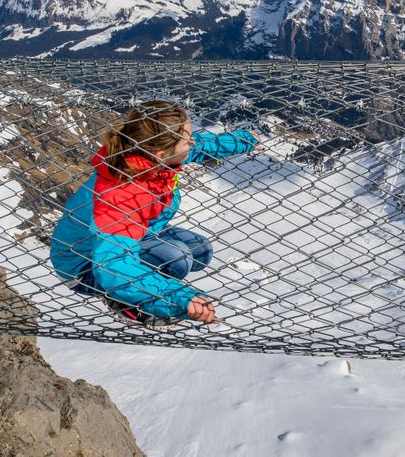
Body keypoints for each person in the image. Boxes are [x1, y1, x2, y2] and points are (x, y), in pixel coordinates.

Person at [49, 100, 260, 327]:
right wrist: (178, 298)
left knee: (201, 250)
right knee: (177, 259)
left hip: (132, 235)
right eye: (187, 137)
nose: (192, 140)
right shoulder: (121, 194)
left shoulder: (147, 155)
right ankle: (127, 302)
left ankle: (147, 284)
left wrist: (244, 140)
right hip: (86, 265)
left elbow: (199, 146)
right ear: (161, 153)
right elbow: (112, 265)